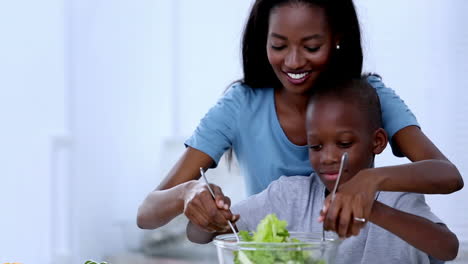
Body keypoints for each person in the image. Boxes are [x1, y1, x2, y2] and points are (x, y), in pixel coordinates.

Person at [137, 0, 463, 233]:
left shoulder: (368, 96)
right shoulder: (240, 105)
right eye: (279, 46)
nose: (293, 62)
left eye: (311, 46)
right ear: (262, 39)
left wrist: (370, 179)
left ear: (337, 38)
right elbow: (147, 214)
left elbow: (448, 175)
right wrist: (187, 193)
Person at [186, 78, 459, 263]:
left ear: (376, 142)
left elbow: (448, 248)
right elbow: (199, 235)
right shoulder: (289, 195)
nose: (327, 157)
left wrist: (373, 210)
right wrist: (211, 216)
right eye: (315, 146)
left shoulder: (398, 198)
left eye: (343, 144)